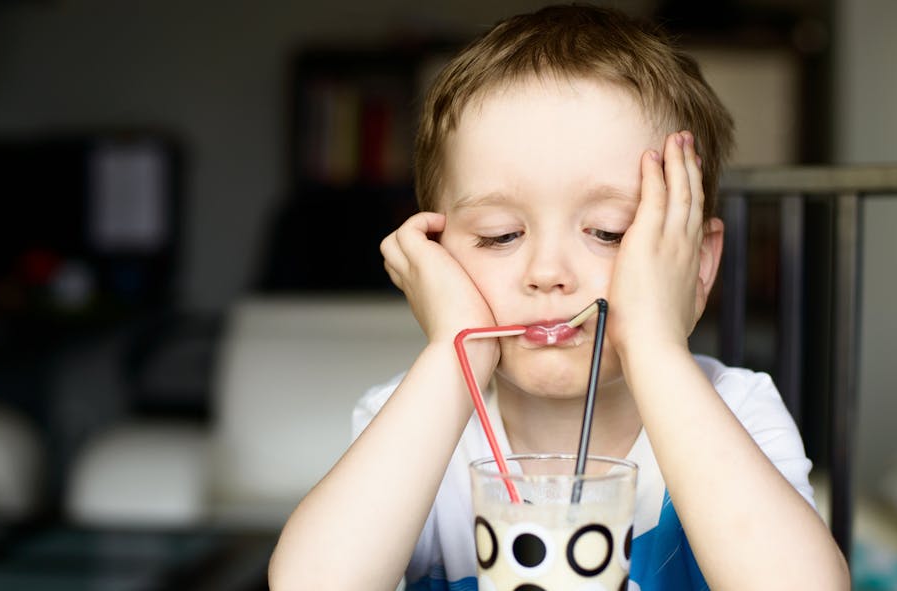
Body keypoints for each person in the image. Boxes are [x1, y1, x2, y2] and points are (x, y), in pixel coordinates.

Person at [269, 4, 850, 590]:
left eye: (608, 232)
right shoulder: (418, 414)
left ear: (696, 264)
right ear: (438, 256)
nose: (547, 273)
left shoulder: (738, 409)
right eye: (500, 235)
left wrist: (655, 345)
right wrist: (456, 351)